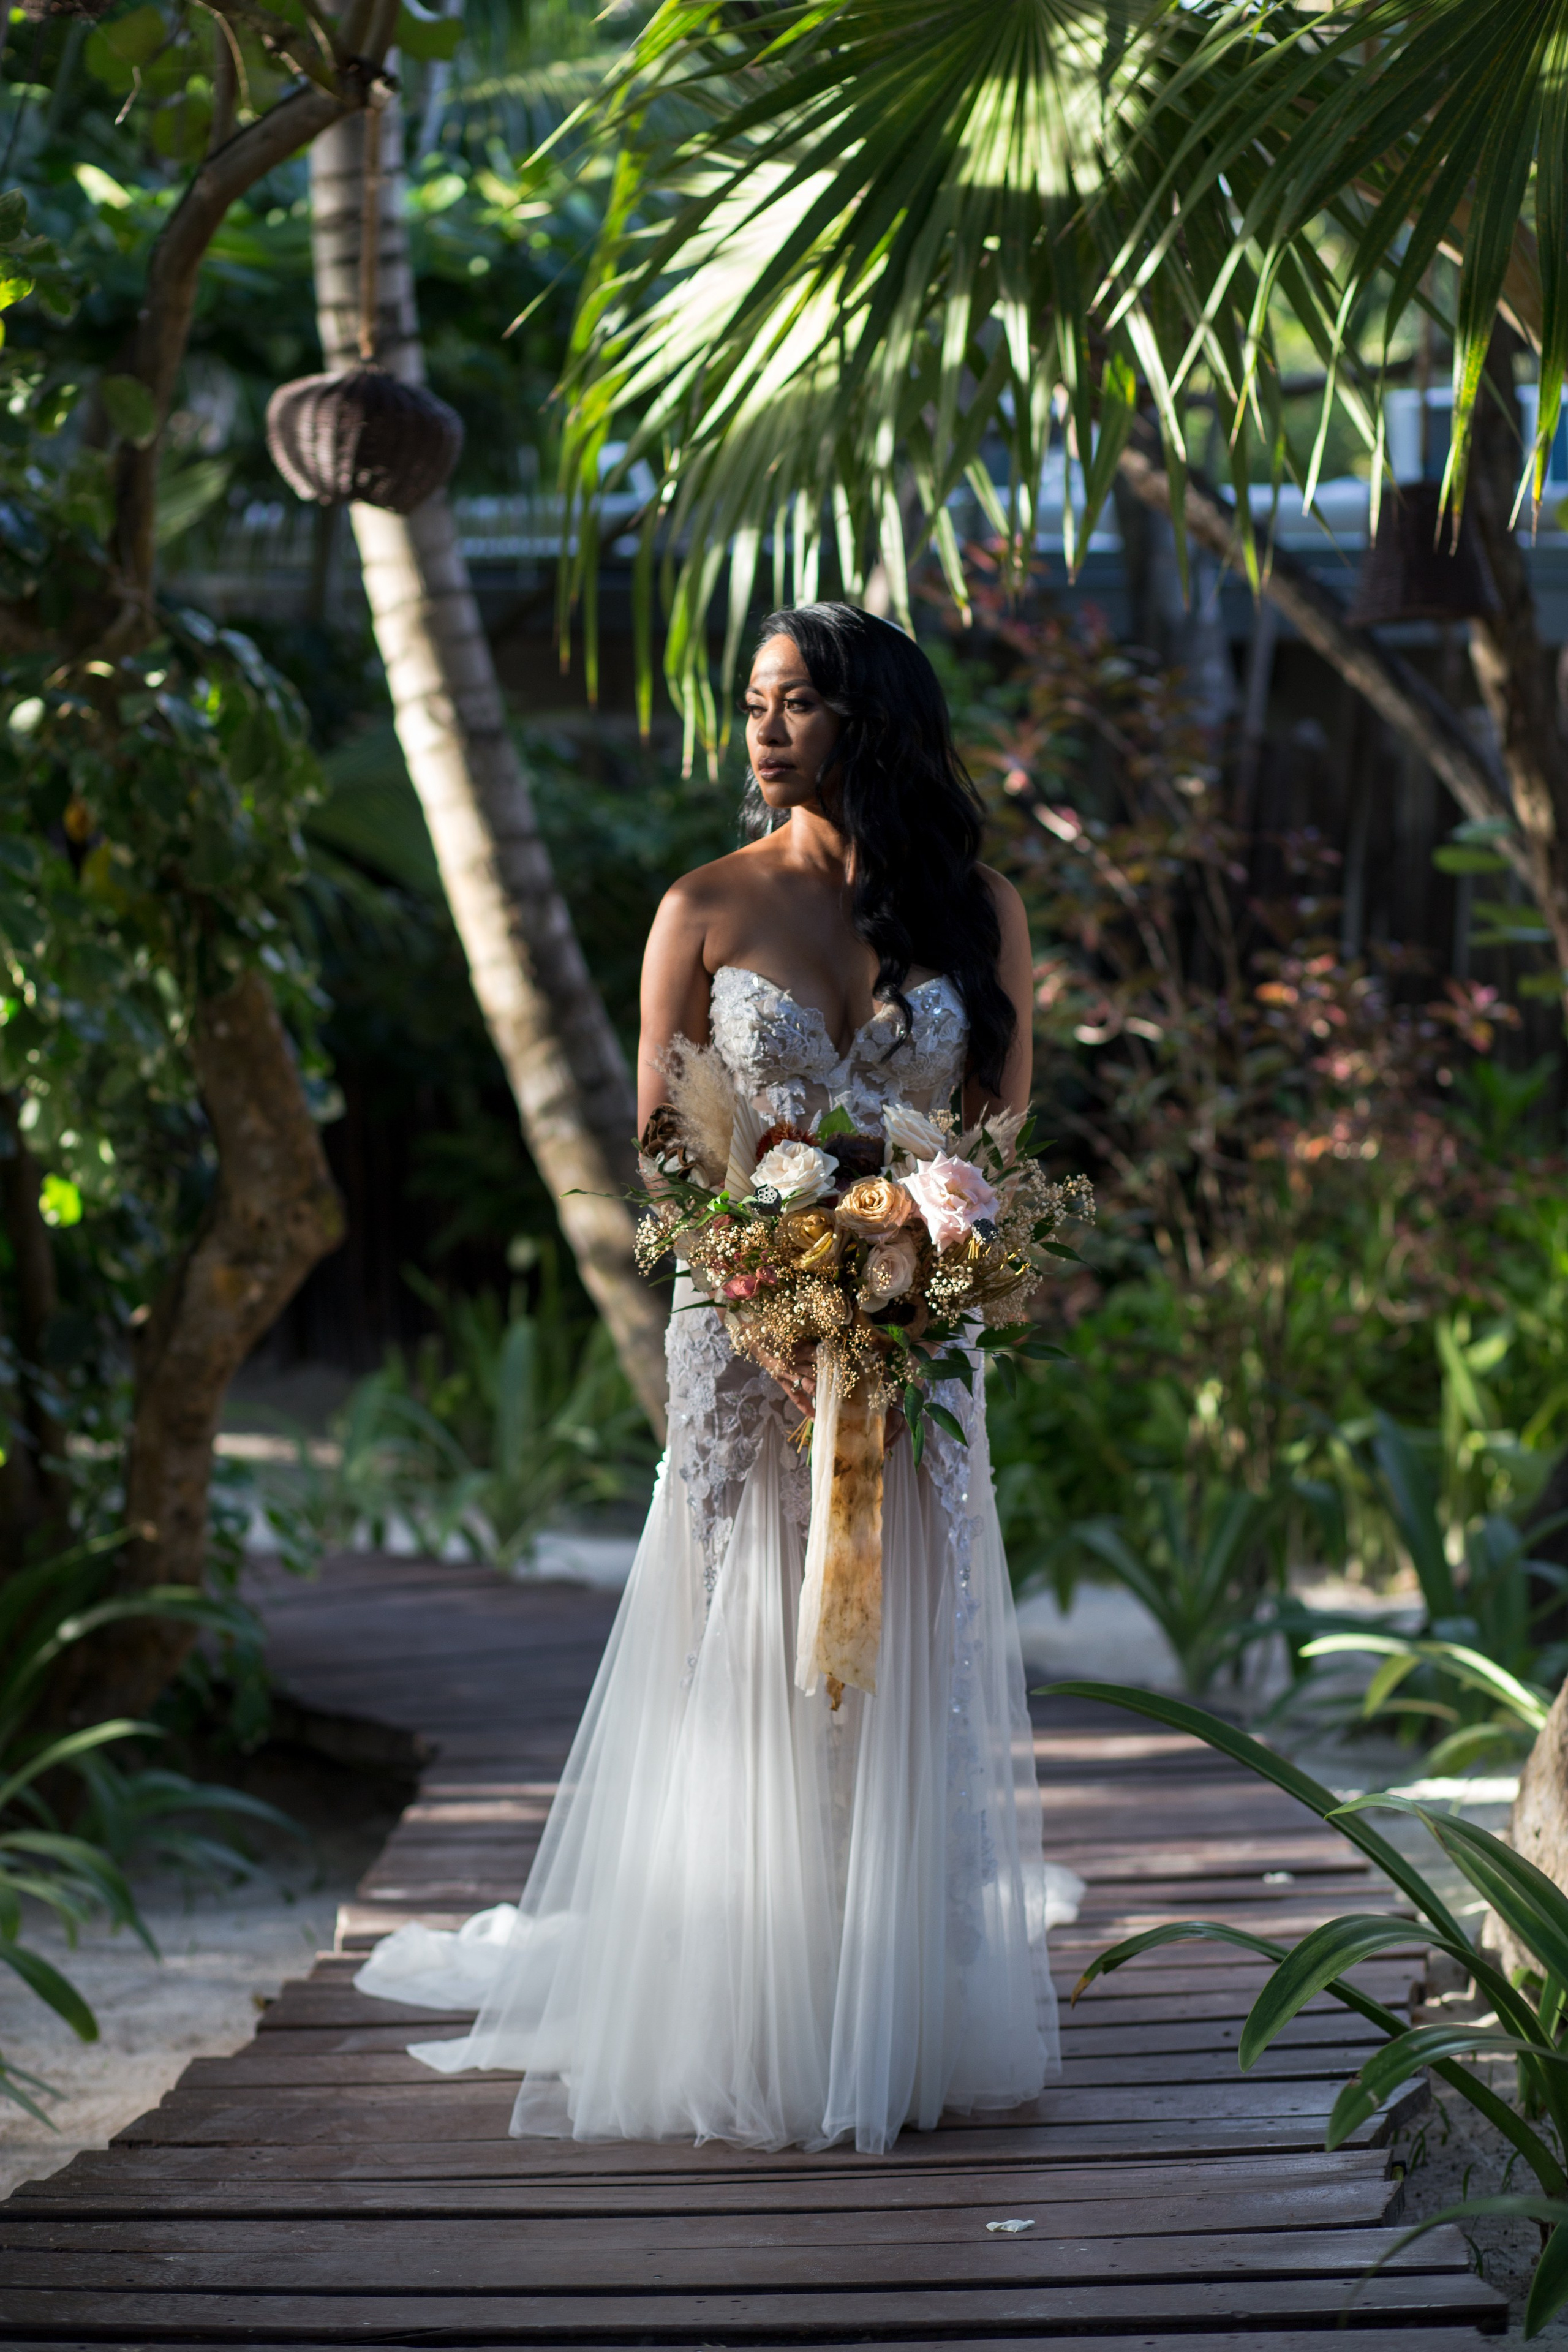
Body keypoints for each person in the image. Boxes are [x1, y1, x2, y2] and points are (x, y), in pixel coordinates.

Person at [355, 601, 1082, 2154]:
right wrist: (772, 1283)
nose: (762, 730)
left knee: (903, 1631)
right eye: (752, 702)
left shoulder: (981, 911)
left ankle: (887, 1999)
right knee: (747, 1630)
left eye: (798, 702)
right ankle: (738, 2005)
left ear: (867, 721)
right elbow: (670, 1147)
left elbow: (997, 1145)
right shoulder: (699, 905)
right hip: (746, 1328)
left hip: (913, 1321)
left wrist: (918, 1258)